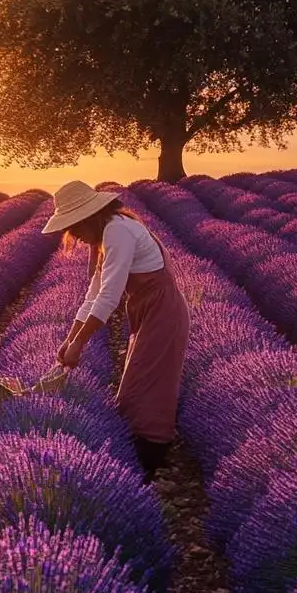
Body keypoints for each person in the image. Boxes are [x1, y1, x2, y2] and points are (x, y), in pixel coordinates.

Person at [41, 180, 191, 473]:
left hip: (162, 313)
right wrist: (69, 340)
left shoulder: (118, 231)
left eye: (75, 228)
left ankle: (147, 466)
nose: (77, 237)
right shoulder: (106, 233)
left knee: (146, 387)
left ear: (89, 218)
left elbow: (108, 297)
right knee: (139, 385)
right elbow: (93, 294)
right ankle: (140, 465)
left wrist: (79, 346)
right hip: (147, 311)